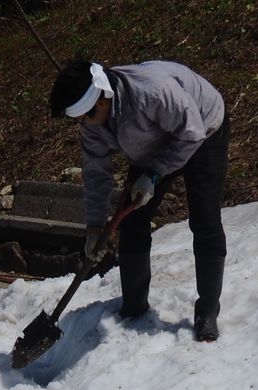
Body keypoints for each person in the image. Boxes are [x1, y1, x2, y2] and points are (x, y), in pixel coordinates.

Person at [48, 58, 230, 341]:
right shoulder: (94, 123)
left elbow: (190, 133)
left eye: (85, 118)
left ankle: (207, 310)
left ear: (102, 102)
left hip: (202, 130)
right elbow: (96, 174)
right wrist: (94, 229)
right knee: (132, 223)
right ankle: (133, 307)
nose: (84, 126)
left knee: (204, 220)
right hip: (155, 143)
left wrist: (155, 174)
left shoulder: (152, 92)